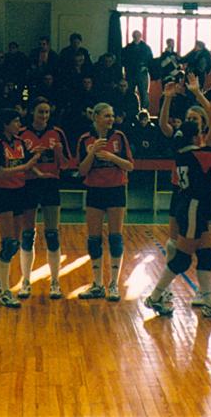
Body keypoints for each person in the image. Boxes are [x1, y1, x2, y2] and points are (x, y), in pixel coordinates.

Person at [144, 121, 211, 318]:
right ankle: (155, 297)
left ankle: (209, 303)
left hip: (191, 205)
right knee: (183, 259)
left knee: (206, 256)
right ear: (195, 136)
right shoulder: (198, 154)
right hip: (193, 207)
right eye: (200, 133)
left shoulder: (182, 153)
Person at [158, 74, 211, 306]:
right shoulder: (181, 138)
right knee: (174, 243)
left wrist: (197, 93)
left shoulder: (206, 141)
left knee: (202, 247)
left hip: (203, 197)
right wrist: (167, 98)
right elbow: (164, 126)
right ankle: (164, 291)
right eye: (189, 117)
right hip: (182, 194)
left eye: (195, 118)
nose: (191, 120)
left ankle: (204, 294)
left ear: (201, 122)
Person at [0, 109, 41, 308]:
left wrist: (39, 172)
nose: (19, 124)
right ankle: (5, 292)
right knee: (7, 243)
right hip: (1, 193)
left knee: (14, 244)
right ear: (5, 124)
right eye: (15, 121)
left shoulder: (19, 142)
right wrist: (24, 168)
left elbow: (28, 163)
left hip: (19, 192)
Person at [76, 103, 134, 301]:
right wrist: (92, 152)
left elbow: (130, 166)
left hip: (116, 190)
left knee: (115, 237)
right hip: (95, 191)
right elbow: (81, 171)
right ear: (96, 117)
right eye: (106, 116)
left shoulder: (119, 137)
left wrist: (111, 157)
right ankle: (98, 284)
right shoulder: (85, 139)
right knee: (94, 239)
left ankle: (114, 284)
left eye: (112, 115)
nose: (111, 119)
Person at [17, 101, 72, 299]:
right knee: (27, 234)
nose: (44, 115)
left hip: (50, 184)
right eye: (41, 111)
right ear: (33, 112)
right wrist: (34, 163)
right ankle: (25, 281)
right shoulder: (22, 134)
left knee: (52, 234)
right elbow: (19, 161)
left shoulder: (57, 133)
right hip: (29, 185)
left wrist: (58, 153)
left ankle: (55, 282)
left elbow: (66, 164)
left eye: (47, 112)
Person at [122, 30, 154, 109]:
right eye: (135, 36)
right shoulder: (128, 48)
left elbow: (150, 60)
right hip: (131, 73)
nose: (136, 37)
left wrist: (145, 66)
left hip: (142, 72)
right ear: (133, 36)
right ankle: (130, 108)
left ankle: (144, 111)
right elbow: (123, 59)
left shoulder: (146, 48)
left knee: (144, 93)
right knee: (129, 92)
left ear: (140, 36)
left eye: (137, 35)